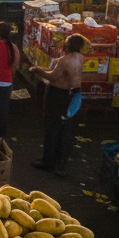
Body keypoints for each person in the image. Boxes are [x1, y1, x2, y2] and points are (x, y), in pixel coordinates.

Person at [30, 33, 87, 176]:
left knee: (52, 128)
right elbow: (59, 73)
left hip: (59, 96)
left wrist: (38, 71)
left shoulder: (65, 60)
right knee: (66, 129)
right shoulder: (80, 58)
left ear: (69, 46)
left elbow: (53, 76)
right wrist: (44, 68)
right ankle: (60, 164)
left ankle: (48, 162)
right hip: (73, 95)